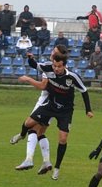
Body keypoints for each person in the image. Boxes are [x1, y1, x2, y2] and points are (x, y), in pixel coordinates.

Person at [16, 52, 93, 180]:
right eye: (55, 66)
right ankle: (22, 135)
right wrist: (30, 58)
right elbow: (35, 65)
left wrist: (88, 110)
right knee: (28, 123)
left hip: (65, 111)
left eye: (59, 66)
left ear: (64, 66)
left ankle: (56, 168)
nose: (56, 69)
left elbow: (84, 91)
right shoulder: (49, 69)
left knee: (63, 139)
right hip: (50, 106)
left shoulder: (72, 77)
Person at [10, 45, 69, 174]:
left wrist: (28, 79)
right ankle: (46, 162)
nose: (52, 52)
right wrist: (32, 60)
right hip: (56, 104)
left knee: (32, 128)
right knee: (41, 132)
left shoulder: (53, 66)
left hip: (46, 102)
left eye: (54, 51)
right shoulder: (60, 67)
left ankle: (28, 159)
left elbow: (43, 86)